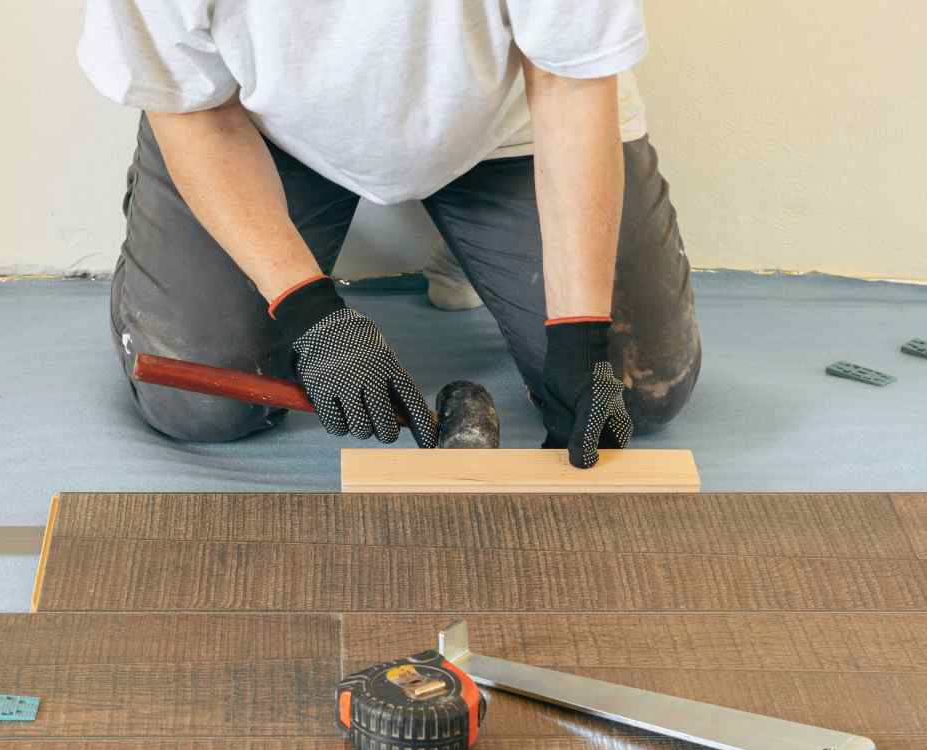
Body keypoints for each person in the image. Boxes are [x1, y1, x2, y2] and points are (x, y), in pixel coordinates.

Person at [79, 0, 701, 468]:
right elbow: (189, 104)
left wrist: (580, 338)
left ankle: (467, 237)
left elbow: (570, 80)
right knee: (201, 406)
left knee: (637, 391)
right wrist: (309, 310)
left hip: (512, 128)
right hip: (254, 130)